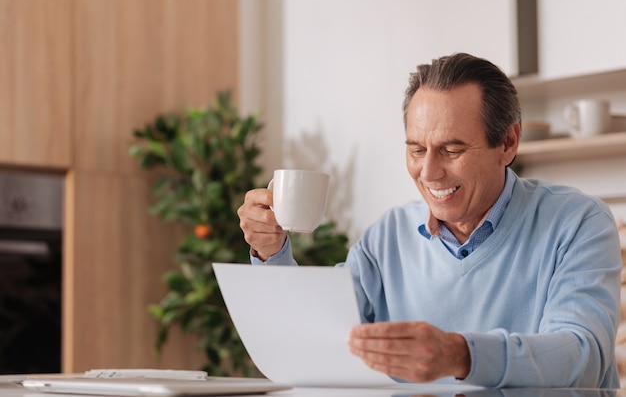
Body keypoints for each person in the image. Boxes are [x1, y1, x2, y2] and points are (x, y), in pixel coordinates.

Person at [237, 53, 622, 388]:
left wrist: (461, 355)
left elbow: (581, 355)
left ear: (507, 143)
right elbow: (318, 335)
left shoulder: (578, 223)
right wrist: (272, 253)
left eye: (452, 149)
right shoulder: (388, 235)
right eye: (417, 149)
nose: (429, 172)